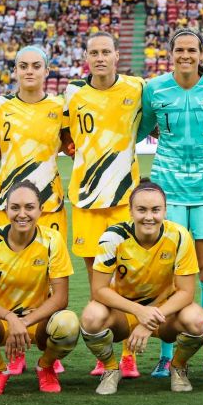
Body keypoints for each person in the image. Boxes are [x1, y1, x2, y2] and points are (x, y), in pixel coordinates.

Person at [138, 28, 203, 378]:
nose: (185, 55)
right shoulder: (154, 89)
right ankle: (166, 353)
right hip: (168, 191)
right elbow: (142, 127)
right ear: (170, 53)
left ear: (201, 53)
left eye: (192, 50)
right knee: (168, 275)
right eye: (179, 49)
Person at [62, 31, 144, 379]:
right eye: (93, 52)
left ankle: (128, 355)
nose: (99, 57)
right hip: (86, 200)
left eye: (105, 51)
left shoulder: (137, 88)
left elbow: (150, 124)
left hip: (125, 201)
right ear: (86, 57)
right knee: (98, 283)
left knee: (125, 280)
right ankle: (104, 354)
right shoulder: (73, 93)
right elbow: (65, 137)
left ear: (116, 55)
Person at [80, 180, 203, 395]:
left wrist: (149, 321)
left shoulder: (179, 236)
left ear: (165, 211)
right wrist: (139, 311)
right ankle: (111, 369)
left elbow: (186, 292)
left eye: (155, 210)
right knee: (92, 316)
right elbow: (99, 289)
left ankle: (178, 366)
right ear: (130, 211)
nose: (149, 217)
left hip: (164, 315)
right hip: (124, 313)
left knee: (197, 319)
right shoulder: (113, 237)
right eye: (141, 210)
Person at [0, 46, 69, 376]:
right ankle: (13, 347)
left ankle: (49, 349)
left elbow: (70, 143)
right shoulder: (1, 106)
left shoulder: (60, 107)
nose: (30, 71)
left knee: (49, 281)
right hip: (9, 206)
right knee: (8, 280)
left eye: (37, 65)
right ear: (15, 70)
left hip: (50, 205)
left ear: (47, 71)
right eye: (23, 66)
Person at [0, 181, 79, 396]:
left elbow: (61, 298)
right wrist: (11, 318)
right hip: (2, 323)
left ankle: (45, 367)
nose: (22, 214)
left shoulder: (52, 240)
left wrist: (24, 322)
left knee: (68, 324)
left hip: (37, 323)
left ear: (40, 210)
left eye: (29, 207)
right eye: (15, 207)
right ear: (5, 209)